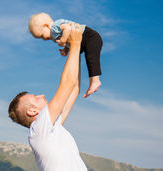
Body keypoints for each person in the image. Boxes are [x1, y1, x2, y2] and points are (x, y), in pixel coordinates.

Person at [8, 23, 87, 171]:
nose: (42, 95)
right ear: (32, 111)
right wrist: (75, 43)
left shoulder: (51, 128)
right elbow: (68, 84)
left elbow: (74, 88)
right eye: (36, 97)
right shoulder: (38, 129)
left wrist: (75, 50)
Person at [28, 12, 103, 98]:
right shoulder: (55, 33)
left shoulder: (55, 27)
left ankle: (95, 81)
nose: (43, 39)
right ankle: (88, 83)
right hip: (82, 41)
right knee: (86, 58)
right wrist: (65, 49)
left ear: (46, 26)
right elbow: (69, 40)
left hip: (89, 36)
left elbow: (67, 28)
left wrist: (63, 41)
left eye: (41, 35)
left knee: (91, 59)